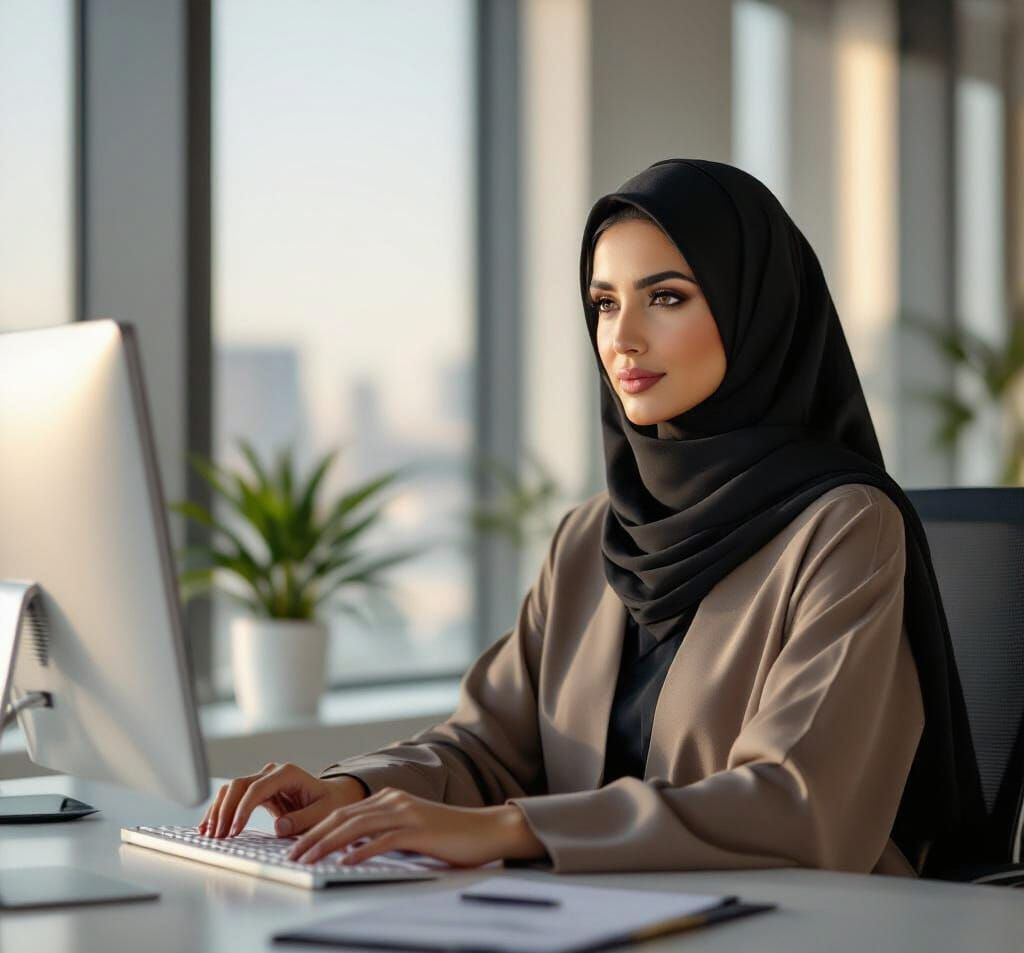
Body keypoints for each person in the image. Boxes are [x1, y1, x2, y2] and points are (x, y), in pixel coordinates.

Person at [201, 158, 986, 879]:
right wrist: (355, 787)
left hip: (802, 945)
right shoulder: (593, 537)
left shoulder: (845, 526)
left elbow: (796, 804)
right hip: (605, 926)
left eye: (667, 297)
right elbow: (484, 747)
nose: (622, 337)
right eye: (604, 304)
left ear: (757, 313)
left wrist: (514, 831)